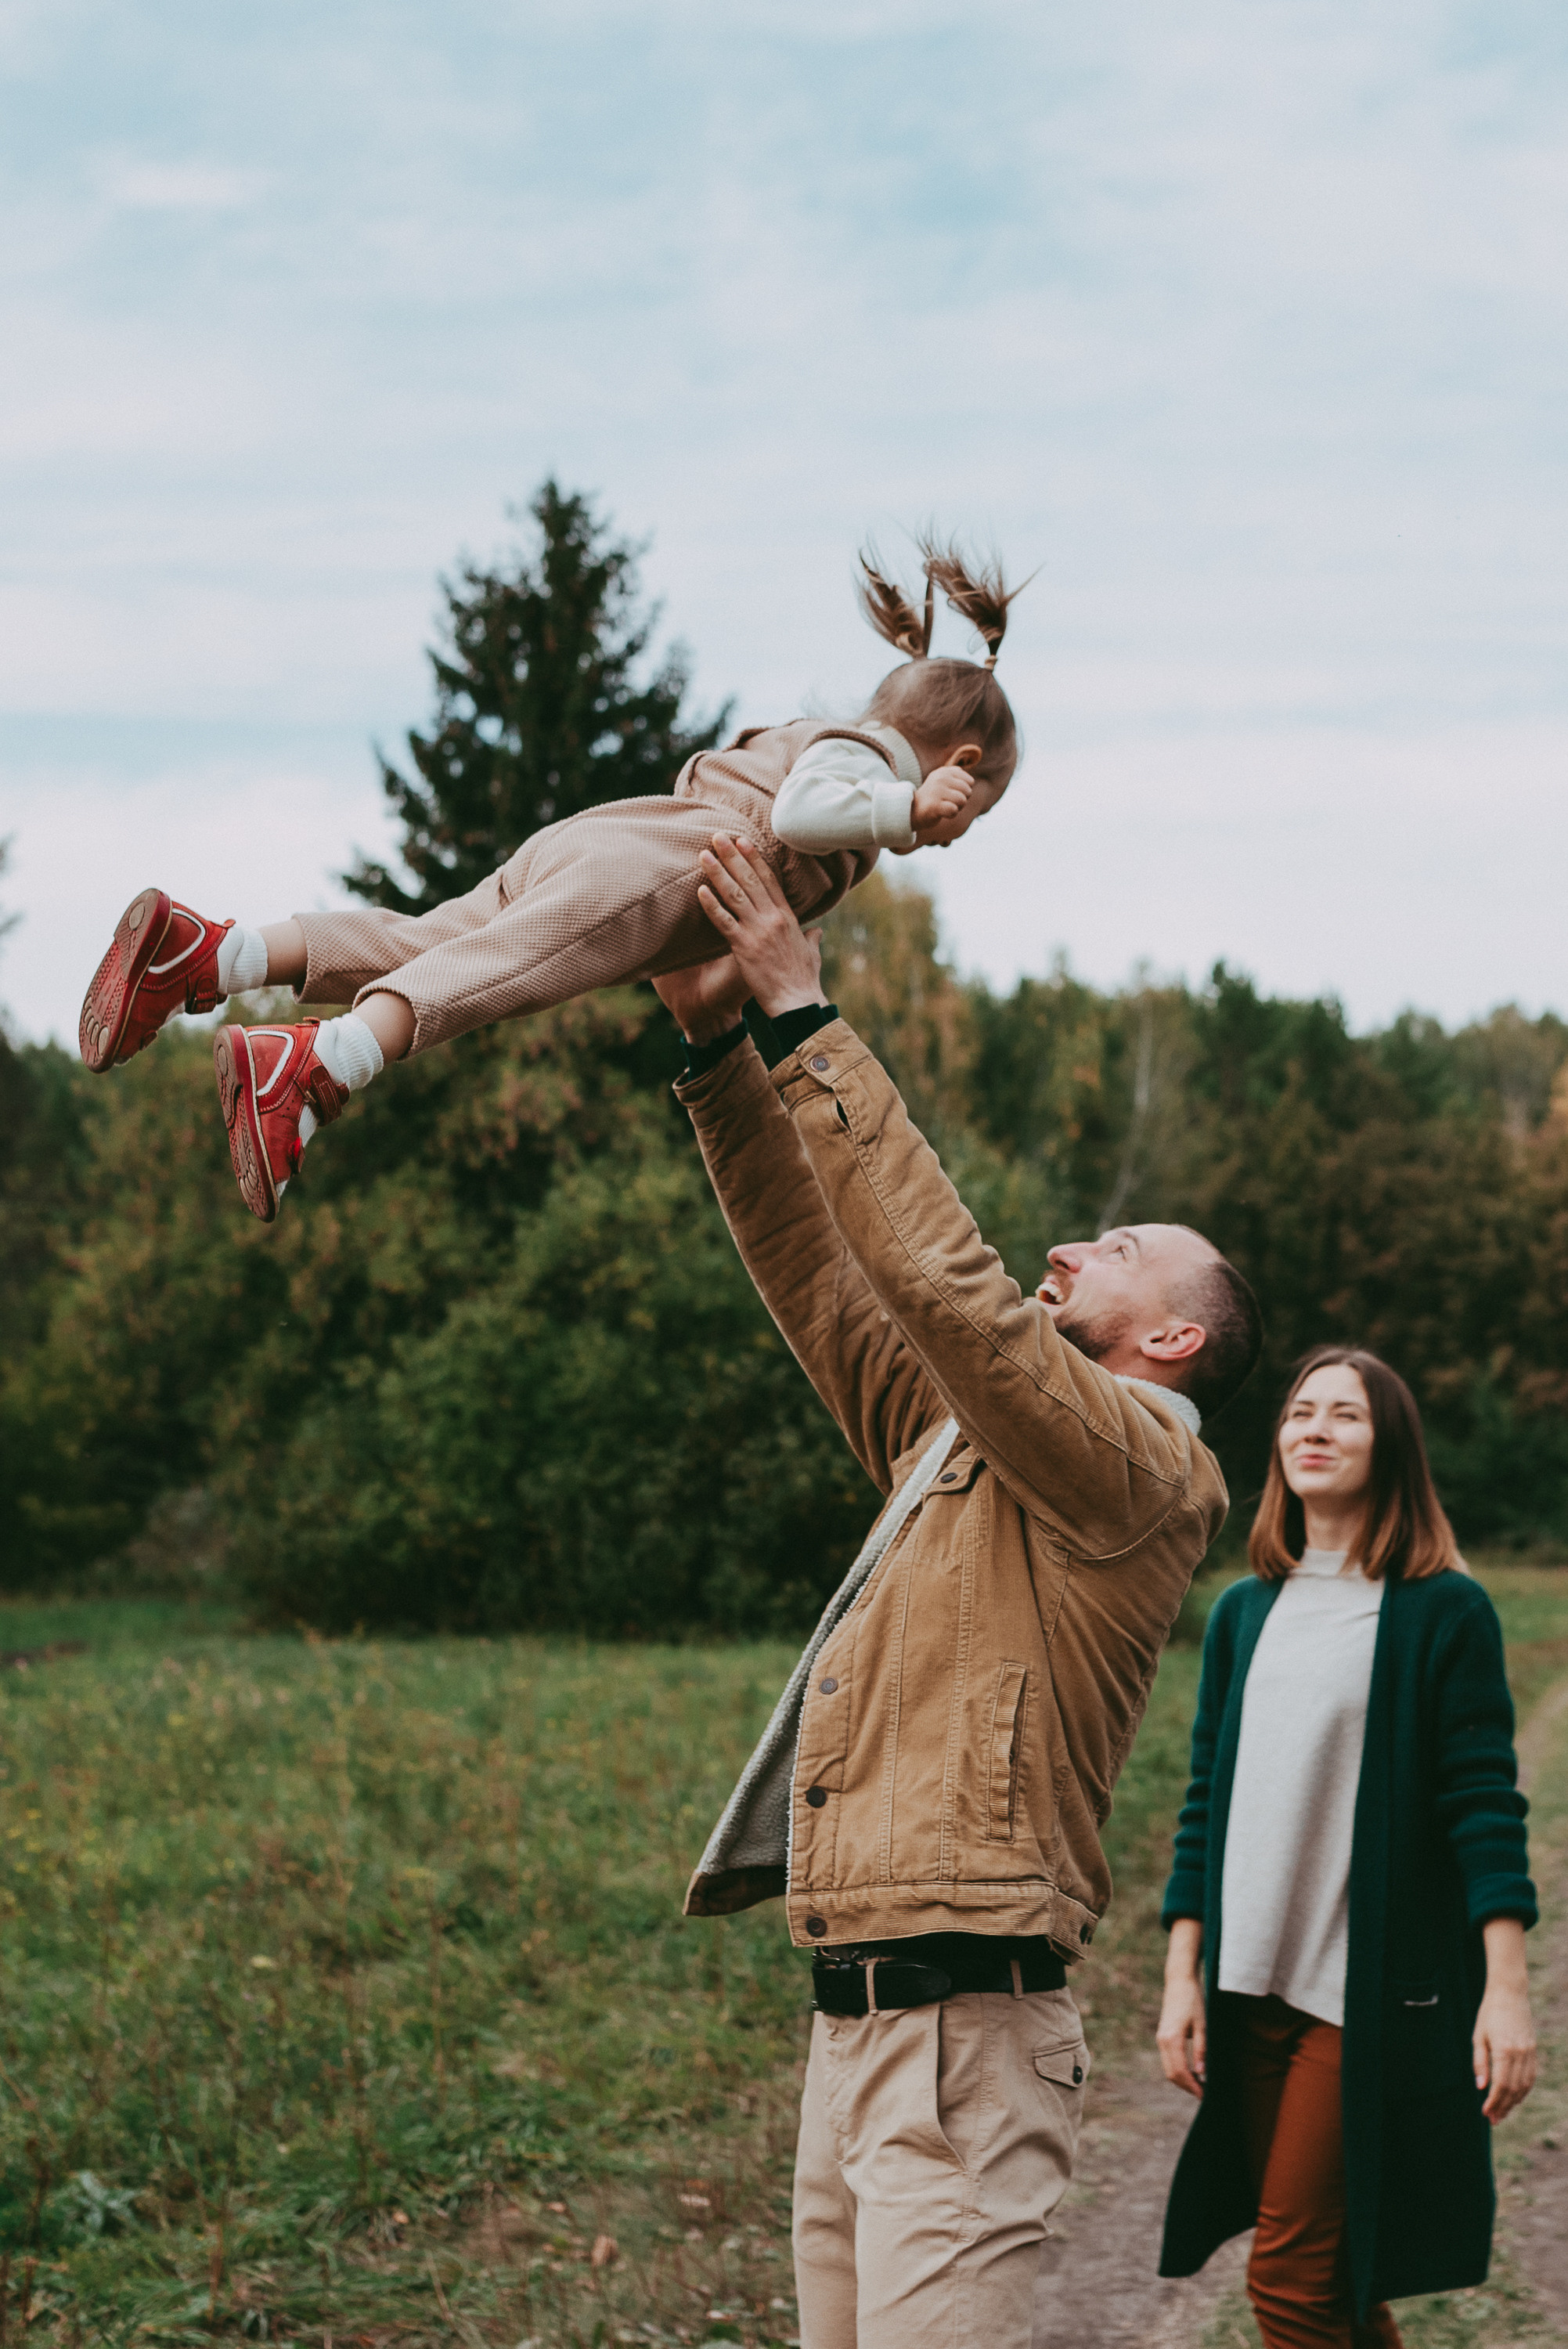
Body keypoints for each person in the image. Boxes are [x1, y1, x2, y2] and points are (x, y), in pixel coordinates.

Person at [651, 835, 1263, 2349]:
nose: (1070, 1246)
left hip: (971, 2040)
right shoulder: (960, 1445)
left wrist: (805, 1016)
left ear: (1170, 1343)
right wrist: (718, 1046)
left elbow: (948, 1291)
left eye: (1113, 1250)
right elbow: (831, 1281)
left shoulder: (1140, 1472)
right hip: (846, 2031)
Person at [76, 541, 1022, 1224]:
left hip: (612, 840)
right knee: (497, 973)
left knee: (431, 940)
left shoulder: (814, 743)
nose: (948, 837)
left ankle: (209, 955)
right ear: (959, 761)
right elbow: (795, 819)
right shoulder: (865, 768)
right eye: (968, 813)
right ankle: (318, 1065)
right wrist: (910, 808)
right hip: (658, 872)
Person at [1155, 1345, 1537, 2348]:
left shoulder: (1440, 1610)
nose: (1314, 1429)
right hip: (1251, 1986)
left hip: (1360, 1998)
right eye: (1298, 1412)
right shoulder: (1246, 1612)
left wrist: (1504, 1990)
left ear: (1391, 1448)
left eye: (1346, 1416)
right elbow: (1207, 1800)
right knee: (1337, 2281)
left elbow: (1482, 1808)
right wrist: (1180, 1974)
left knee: (1287, 2285)